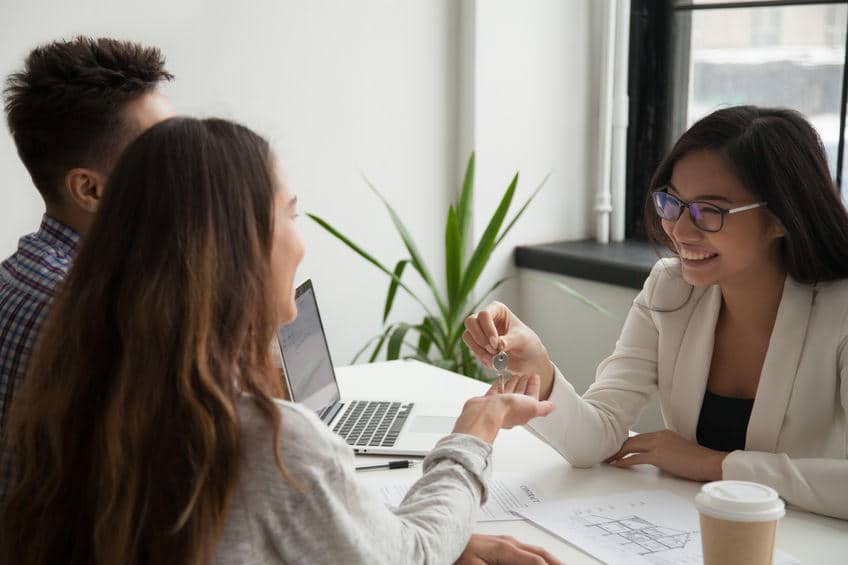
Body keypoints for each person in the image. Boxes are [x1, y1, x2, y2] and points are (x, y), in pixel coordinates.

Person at [0, 117, 561, 564]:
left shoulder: (71, 390)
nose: (301, 242)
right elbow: (411, 555)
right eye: (291, 215)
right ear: (232, 249)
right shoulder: (259, 441)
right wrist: (476, 430)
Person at [463, 106, 848, 520]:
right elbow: (597, 439)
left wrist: (714, 464)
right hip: (688, 531)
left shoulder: (839, 310)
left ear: (780, 218)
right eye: (673, 203)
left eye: (709, 212)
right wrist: (539, 371)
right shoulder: (671, 288)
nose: (680, 231)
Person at [0, 36, 175, 449]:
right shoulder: (108, 321)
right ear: (91, 190)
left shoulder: (13, 278)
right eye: (163, 157)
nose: (184, 172)